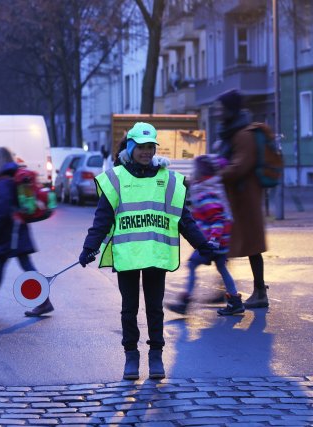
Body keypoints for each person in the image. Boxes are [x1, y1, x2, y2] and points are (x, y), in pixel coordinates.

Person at [78, 122, 215, 380]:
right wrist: (89, 247)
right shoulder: (115, 179)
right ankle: (131, 355)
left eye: (150, 146)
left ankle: (156, 356)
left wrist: (203, 245)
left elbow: (183, 219)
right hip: (127, 256)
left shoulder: (168, 180)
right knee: (129, 308)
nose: (146, 151)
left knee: (155, 308)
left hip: (155, 255)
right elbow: (102, 219)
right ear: (130, 148)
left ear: (155, 148)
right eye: (140, 147)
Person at [166, 155, 245, 316]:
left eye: (195, 170)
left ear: (201, 172)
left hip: (211, 243)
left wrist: (214, 240)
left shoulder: (205, 193)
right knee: (222, 268)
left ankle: (185, 302)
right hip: (219, 242)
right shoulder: (210, 189)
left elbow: (217, 219)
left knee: (192, 265)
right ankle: (235, 301)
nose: (193, 173)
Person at [214, 89, 270, 309]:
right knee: (229, 243)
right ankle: (224, 287)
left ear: (231, 109)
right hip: (236, 198)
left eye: (221, 108)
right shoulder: (231, 132)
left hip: (246, 198)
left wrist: (217, 173)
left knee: (251, 246)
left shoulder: (243, 134)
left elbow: (240, 166)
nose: (218, 112)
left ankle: (259, 292)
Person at [0, 147, 50, 317]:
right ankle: (43, 302)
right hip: (15, 231)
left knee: (8, 265)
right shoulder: (7, 177)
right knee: (17, 264)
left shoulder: (4, 181)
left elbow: (2, 210)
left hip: (10, 233)